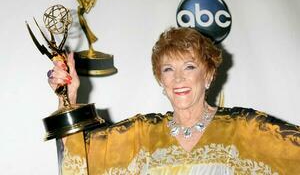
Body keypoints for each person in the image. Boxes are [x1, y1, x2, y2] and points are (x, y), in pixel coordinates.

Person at [48, 27, 300, 174]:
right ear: (161, 79)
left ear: (209, 74)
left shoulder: (244, 129)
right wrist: (68, 99)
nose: (178, 78)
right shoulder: (142, 134)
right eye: (168, 69)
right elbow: (82, 161)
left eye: (189, 66)